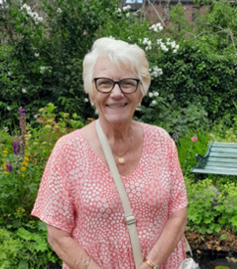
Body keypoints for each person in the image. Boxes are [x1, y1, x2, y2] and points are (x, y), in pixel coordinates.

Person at [32, 37, 188, 269]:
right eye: (104, 83)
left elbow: (178, 213)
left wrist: (150, 265)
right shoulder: (68, 150)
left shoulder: (162, 142)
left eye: (127, 83)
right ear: (92, 92)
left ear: (140, 92)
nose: (116, 93)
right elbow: (57, 235)